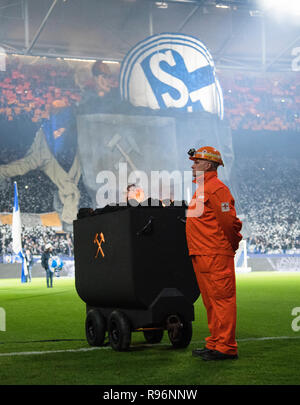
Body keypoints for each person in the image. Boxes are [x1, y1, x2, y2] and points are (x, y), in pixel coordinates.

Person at [185, 146, 242, 361]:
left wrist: (232, 244)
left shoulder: (216, 189)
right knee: (211, 301)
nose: (193, 165)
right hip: (203, 253)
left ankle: (226, 347)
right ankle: (216, 342)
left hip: (215, 253)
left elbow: (229, 222)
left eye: (196, 161)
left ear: (208, 165)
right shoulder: (203, 189)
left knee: (222, 300)